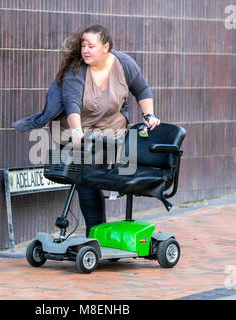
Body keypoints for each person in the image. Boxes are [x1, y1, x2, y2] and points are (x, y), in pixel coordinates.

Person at [53, 25, 160, 236]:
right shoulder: (75, 70)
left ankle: (97, 233)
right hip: (79, 130)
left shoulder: (124, 63)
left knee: (93, 175)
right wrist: (76, 131)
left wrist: (150, 116)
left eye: (91, 46)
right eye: (83, 45)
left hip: (110, 129)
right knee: (86, 177)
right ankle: (95, 232)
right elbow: (71, 104)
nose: (85, 50)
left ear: (105, 47)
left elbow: (142, 89)